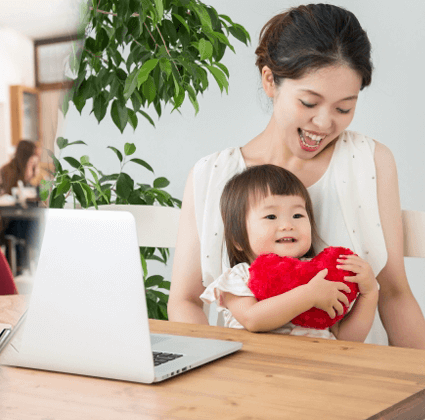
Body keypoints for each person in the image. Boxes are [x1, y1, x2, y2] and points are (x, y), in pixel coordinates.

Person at [167, 3, 425, 349]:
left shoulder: (370, 161)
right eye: (308, 103)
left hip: (356, 377)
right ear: (270, 80)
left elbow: (394, 295)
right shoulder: (212, 174)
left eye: (344, 108)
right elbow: (185, 300)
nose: (324, 123)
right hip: (242, 380)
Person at [200, 164, 378, 340]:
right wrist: (309, 295)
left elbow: (347, 339)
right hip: (258, 366)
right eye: (271, 216)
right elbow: (252, 319)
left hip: (317, 365)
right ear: (238, 239)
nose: (288, 225)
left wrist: (369, 294)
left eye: (298, 215)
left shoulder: (319, 275)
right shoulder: (238, 278)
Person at [0, 140, 41, 270]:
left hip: (18, 217)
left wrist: (33, 170)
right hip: (2, 219)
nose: (34, 162)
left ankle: (25, 266)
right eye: (32, 160)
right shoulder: (8, 171)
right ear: (26, 157)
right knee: (34, 227)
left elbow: (31, 190)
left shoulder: (21, 170)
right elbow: (12, 195)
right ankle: (22, 267)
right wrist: (28, 169)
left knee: (36, 224)